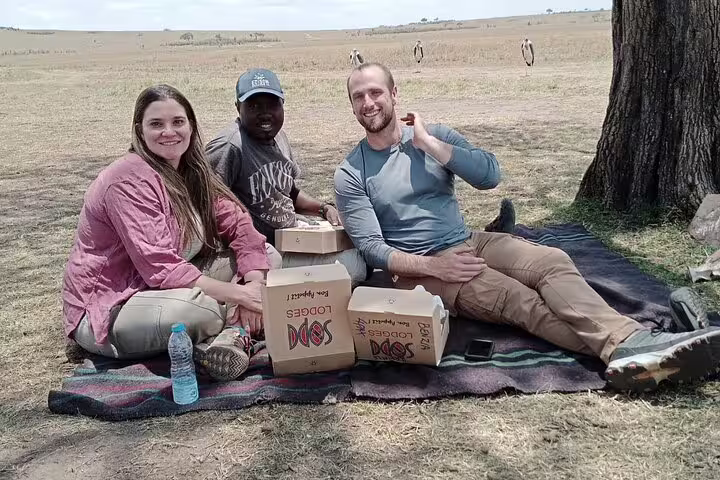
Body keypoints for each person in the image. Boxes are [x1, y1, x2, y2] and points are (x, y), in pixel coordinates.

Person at [335, 62, 720, 393]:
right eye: (358, 97)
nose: (368, 103)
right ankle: (636, 346)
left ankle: (639, 345)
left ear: (394, 93)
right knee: (521, 301)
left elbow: (489, 176)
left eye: (375, 92)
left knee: (551, 260)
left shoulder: (434, 136)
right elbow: (373, 249)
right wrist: (437, 268)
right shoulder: (351, 172)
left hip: (468, 240)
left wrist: (432, 146)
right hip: (423, 269)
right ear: (351, 105)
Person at [63, 84, 270, 381]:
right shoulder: (126, 180)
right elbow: (161, 268)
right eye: (156, 124)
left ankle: (232, 335)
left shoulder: (190, 170)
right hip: (116, 304)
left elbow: (238, 225)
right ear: (139, 130)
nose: (169, 132)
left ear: (191, 126)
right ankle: (235, 327)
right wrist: (243, 295)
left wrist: (254, 284)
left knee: (265, 259)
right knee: (201, 311)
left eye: (177, 122)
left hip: (165, 287)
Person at [206, 68, 368, 284]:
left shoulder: (278, 136)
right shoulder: (230, 146)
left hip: (292, 238)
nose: (265, 113)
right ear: (238, 108)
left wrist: (323, 208)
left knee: (359, 244)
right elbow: (207, 207)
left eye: (272, 104)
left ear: (283, 104)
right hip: (261, 251)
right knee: (354, 267)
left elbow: (288, 192)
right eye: (254, 106)